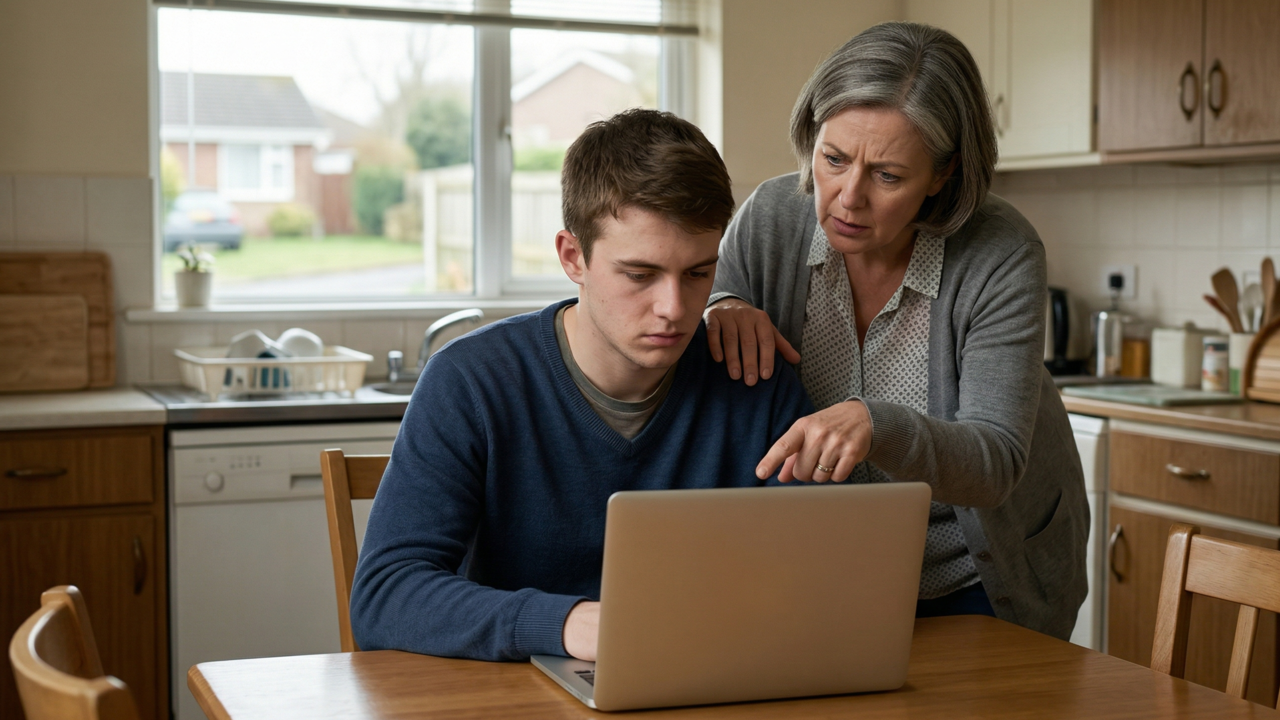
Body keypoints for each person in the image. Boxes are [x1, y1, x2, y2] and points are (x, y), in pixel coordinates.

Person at [350, 109, 813, 662]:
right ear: (574, 257)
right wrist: (564, 623)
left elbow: (817, 577)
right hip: (521, 696)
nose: (674, 309)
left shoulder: (754, 379)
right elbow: (384, 597)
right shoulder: (470, 381)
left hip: (713, 680)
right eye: (639, 275)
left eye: (697, 273)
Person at [704, 22, 1088, 639]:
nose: (847, 198)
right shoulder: (771, 221)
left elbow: (994, 461)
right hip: (826, 577)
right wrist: (721, 304)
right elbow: (704, 321)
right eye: (833, 159)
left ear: (942, 174)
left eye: (887, 176)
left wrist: (875, 424)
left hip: (980, 578)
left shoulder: (1001, 251)